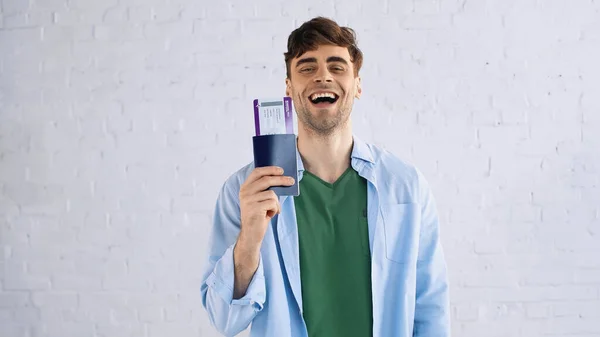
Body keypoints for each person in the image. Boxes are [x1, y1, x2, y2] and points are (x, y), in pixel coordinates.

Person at [200, 16, 450, 337]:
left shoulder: (406, 187)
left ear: (357, 85)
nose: (323, 76)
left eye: (337, 66)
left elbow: (430, 309)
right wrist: (249, 238)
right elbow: (224, 321)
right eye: (306, 67)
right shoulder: (246, 190)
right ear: (289, 88)